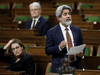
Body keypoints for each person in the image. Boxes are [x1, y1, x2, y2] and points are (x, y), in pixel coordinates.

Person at [45, 5, 85, 73]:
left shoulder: (77, 30)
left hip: (75, 66)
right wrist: (59, 47)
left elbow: (81, 45)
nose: (68, 16)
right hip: (60, 67)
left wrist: (81, 53)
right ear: (59, 17)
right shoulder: (52, 32)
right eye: (65, 14)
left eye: (69, 14)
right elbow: (48, 50)